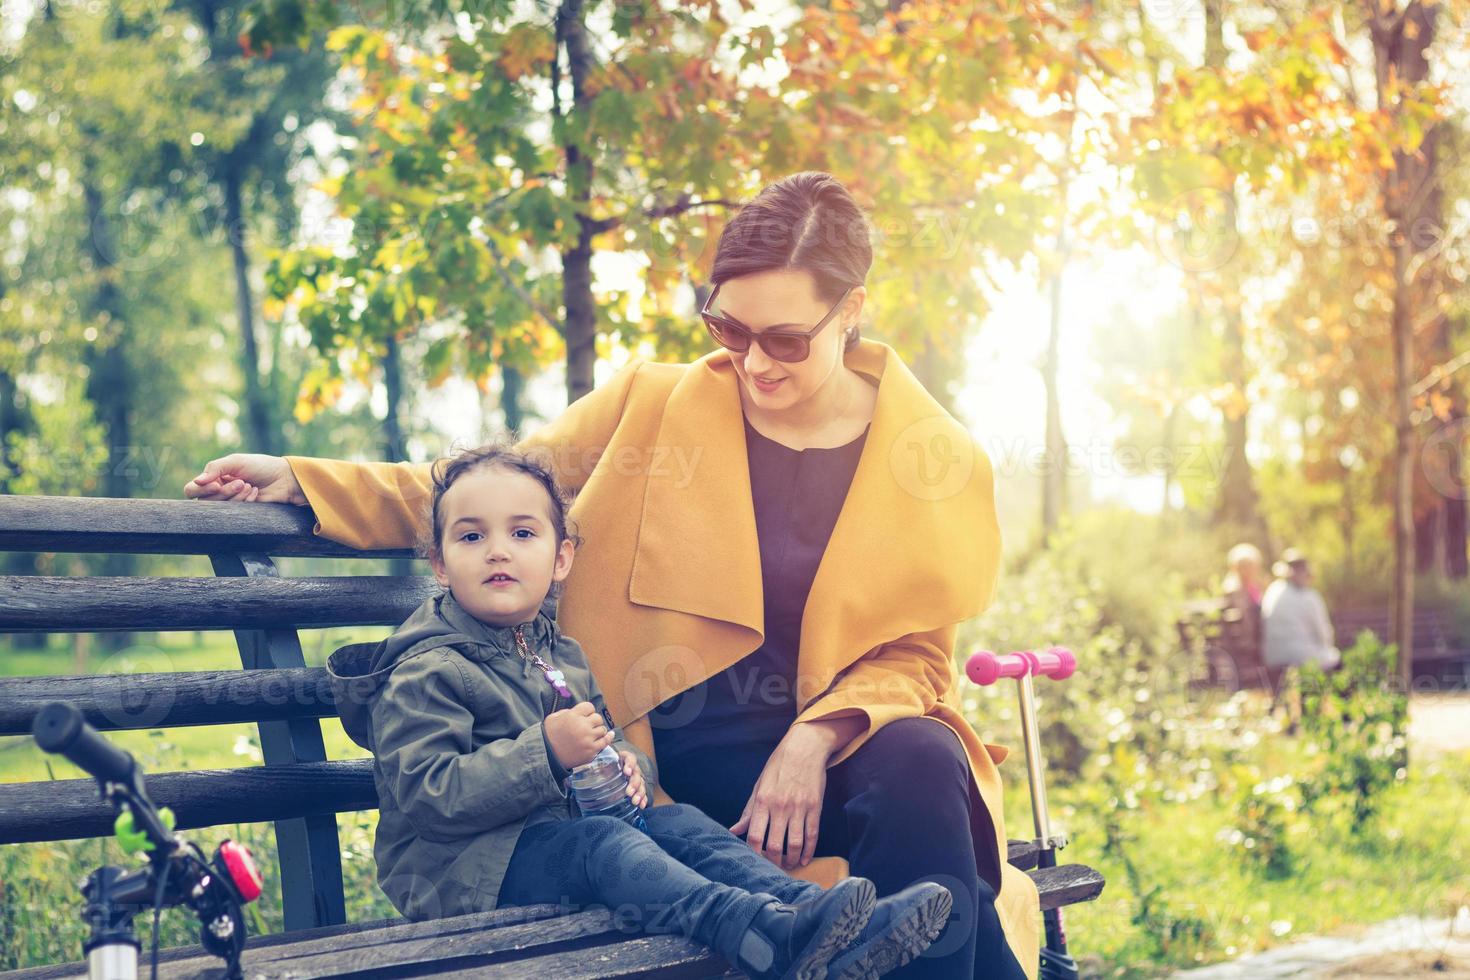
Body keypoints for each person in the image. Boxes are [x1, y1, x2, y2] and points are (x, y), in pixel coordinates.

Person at [185, 171, 1040, 980]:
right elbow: (495, 487)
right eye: (728, 329)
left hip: (830, 755)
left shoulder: (930, 457)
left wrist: (812, 739)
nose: (754, 363)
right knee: (953, 876)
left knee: (926, 757)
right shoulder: (654, 404)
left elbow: (916, 661)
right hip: (669, 761)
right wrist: (305, 479)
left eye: (785, 339)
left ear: (851, 311)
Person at [329, 445, 953, 979]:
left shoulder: (559, 651)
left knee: (675, 821)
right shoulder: (426, 669)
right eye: (472, 536)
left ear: (561, 558)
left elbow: (606, 741)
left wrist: (630, 771)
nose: (498, 552)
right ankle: (763, 939)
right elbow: (427, 796)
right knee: (604, 843)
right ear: (440, 564)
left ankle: (824, 921)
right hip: (462, 874)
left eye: (523, 533)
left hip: (557, 843)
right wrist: (545, 752)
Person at [1261, 548, 1340, 729]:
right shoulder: (1308, 596)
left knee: (1311, 662)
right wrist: (1327, 648)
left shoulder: (1273, 591)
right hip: (1300, 655)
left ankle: (1304, 713)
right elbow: (1324, 634)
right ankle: (1332, 715)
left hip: (1272, 654)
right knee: (1331, 661)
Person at [1220, 543, 1266, 687]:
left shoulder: (1251, 585)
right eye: (1246, 566)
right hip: (1247, 640)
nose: (1251, 570)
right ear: (1236, 567)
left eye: (1252, 566)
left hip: (1255, 635)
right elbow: (1243, 620)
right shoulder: (1234, 589)